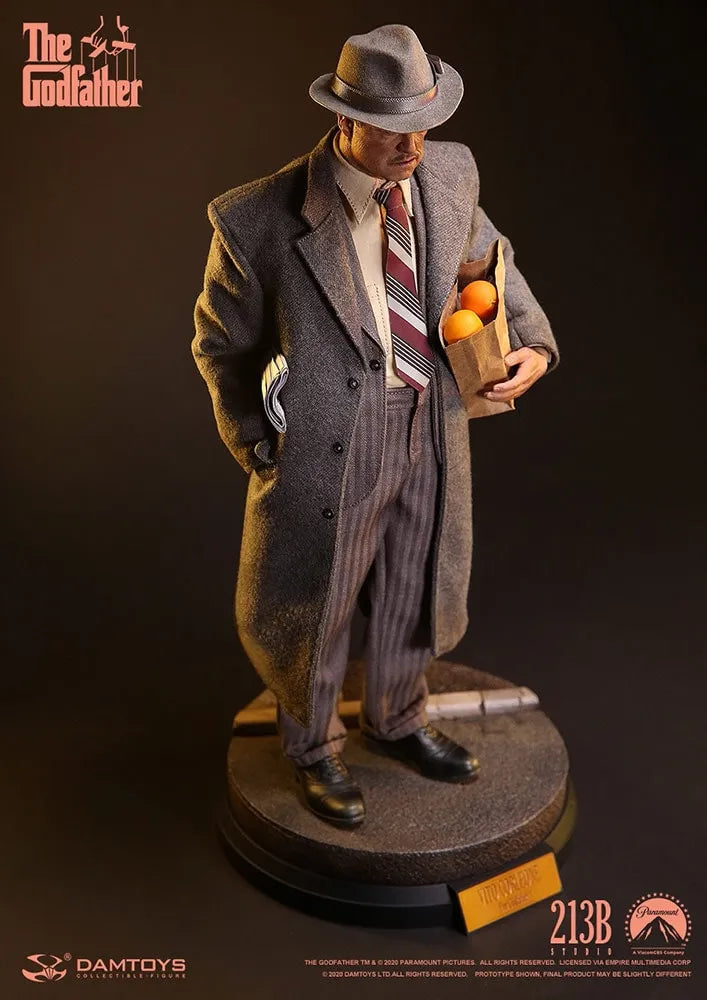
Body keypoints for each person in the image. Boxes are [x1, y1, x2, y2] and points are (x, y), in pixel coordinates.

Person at [192, 24, 559, 829]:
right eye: (394, 130)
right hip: (328, 443)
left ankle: (396, 718)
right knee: (316, 599)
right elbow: (220, 346)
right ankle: (312, 746)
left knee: (412, 581)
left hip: (430, 422)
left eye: (423, 125)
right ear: (345, 119)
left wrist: (531, 342)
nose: (412, 146)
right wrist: (260, 444)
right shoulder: (258, 219)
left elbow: (491, 261)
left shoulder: (448, 175)